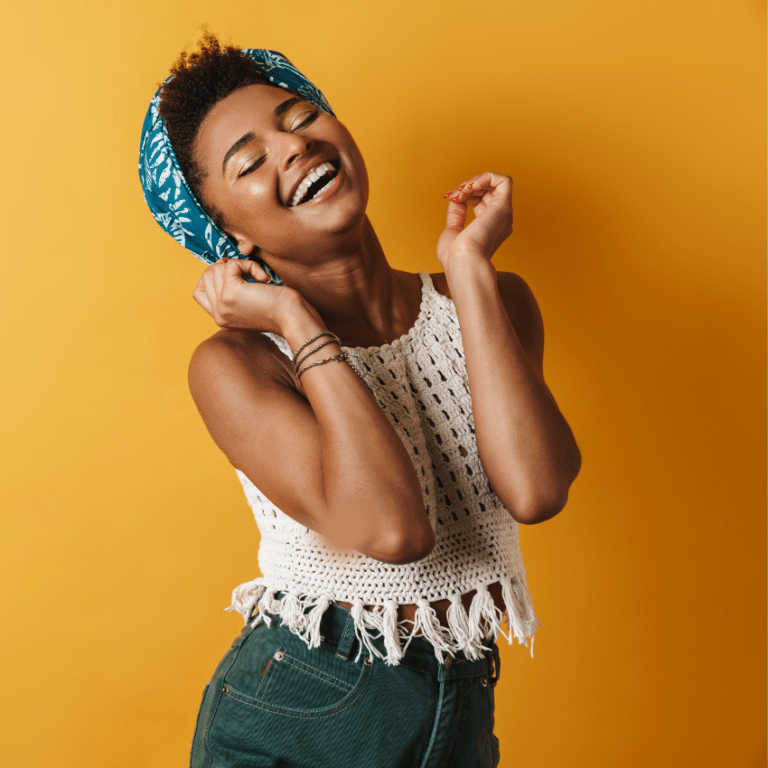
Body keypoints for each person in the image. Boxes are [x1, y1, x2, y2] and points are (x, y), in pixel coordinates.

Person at [139, 33, 581, 768]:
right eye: (248, 162)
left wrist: (468, 271)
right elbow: (391, 530)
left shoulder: (494, 300)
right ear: (227, 234)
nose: (293, 149)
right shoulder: (236, 365)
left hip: (461, 699)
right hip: (304, 707)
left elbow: (535, 489)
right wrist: (292, 318)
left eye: (300, 118)